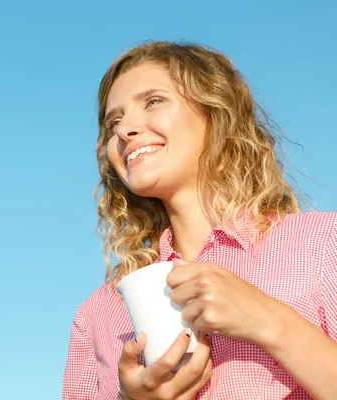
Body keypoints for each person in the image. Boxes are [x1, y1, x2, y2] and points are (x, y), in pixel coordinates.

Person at [62, 41, 337, 400]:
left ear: (216, 112)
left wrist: (271, 322)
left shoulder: (323, 243)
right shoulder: (99, 314)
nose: (124, 129)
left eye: (153, 101)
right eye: (114, 121)